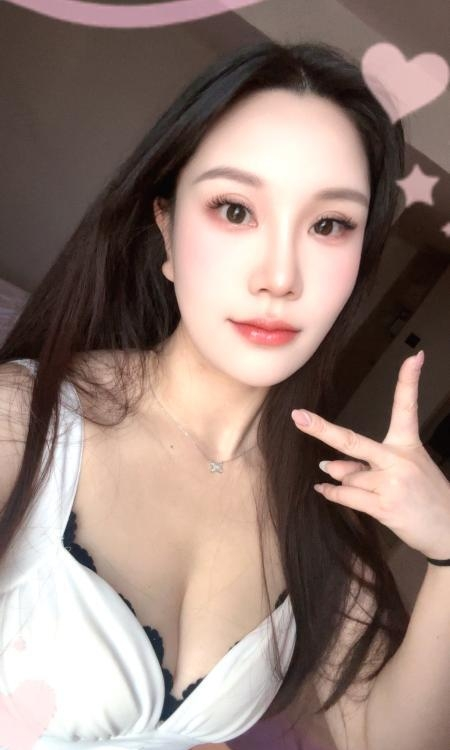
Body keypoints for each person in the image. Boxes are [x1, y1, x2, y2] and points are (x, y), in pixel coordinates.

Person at [0, 38, 441, 750]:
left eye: (329, 225)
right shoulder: (24, 421)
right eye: (235, 210)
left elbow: (385, 738)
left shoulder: (319, 520)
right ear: (166, 229)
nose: (279, 276)